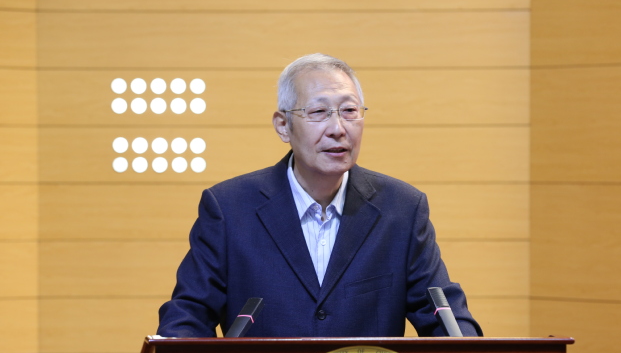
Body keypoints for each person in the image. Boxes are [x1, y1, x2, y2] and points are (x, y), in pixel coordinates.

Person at [157, 53, 482, 338]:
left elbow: (445, 316)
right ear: (283, 126)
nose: (338, 128)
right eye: (319, 112)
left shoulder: (402, 210)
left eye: (349, 111)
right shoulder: (230, 209)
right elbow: (188, 315)